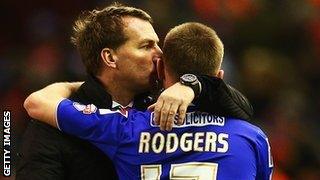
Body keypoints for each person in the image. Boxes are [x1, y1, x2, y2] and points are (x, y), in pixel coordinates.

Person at [17, 3, 253, 180]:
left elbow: (243, 109)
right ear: (110, 57)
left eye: (158, 44)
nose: (160, 54)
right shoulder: (51, 123)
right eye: (147, 46)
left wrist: (192, 85)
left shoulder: (163, 106)